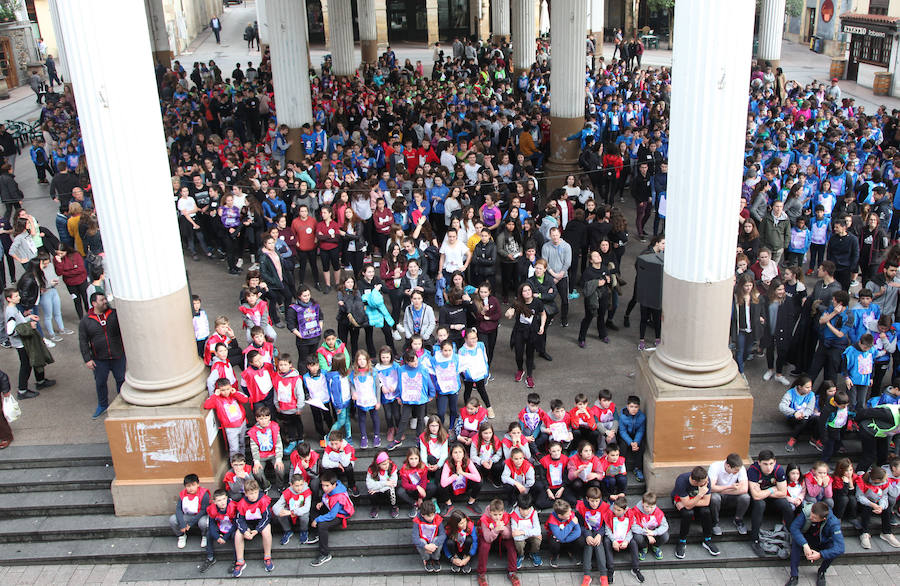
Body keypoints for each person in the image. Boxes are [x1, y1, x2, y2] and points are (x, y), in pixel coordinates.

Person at [78, 293, 123, 419]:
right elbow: (83, 341)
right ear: (94, 303)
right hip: (99, 359)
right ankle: (102, 405)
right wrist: (87, 359)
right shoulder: (86, 321)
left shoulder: (114, 314)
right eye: (101, 300)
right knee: (100, 382)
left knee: (121, 379)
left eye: (105, 299)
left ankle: (122, 402)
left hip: (118, 355)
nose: (105, 301)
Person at [748, 450, 794, 558]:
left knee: (786, 505)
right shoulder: (753, 470)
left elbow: (783, 493)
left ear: (775, 462)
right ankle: (754, 539)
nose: (769, 467)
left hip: (771, 497)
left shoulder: (778, 470)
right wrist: (772, 489)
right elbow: (755, 496)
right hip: (756, 500)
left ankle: (793, 534)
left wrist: (765, 492)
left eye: (771, 464)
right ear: (759, 462)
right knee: (760, 504)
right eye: (765, 464)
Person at [786, 501, 844, 586]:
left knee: (832, 547)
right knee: (796, 541)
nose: (810, 518)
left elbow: (840, 548)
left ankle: (822, 572)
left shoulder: (833, 523)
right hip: (807, 538)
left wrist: (821, 554)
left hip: (821, 541)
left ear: (823, 519)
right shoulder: (808, 511)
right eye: (811, 515)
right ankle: (794, 575)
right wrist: (805, 545)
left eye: (814, 518)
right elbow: (794, 527)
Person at [310, 469, 356, 567]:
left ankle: (324, 554)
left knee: (322, 525)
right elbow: (327, 497)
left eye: (327, 486)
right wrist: (322, 502)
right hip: (330, 507)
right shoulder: (333, 489)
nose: (324, 488)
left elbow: (332, 515)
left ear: (334, 485)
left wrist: (317, 520)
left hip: (339, 515)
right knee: (314, 507)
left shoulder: (338, 497)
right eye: (323, 485)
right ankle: (317, 534)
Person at [671, 466, 719, 559]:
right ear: (695, 482)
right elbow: (688, 506)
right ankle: (682, 541)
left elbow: (706, 502)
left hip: (691, 502)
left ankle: (707, 539)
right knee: (688, 513)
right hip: (679, 499)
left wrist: (688, 502)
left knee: (706, 511)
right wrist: (700, 494)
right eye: (704, 482)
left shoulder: (706, 479)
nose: (707, 482)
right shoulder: (682, 481)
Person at [233, 479, 274, 577]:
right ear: (246, 493)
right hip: (248, 524)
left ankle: (267, 556)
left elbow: (267, 517)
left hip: (260, 523)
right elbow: (239, 519)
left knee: (266, 530)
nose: (253, 496)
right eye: (251, 493)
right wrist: (244, 530)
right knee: (238, 534)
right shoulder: (242, 503)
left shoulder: (263, 500)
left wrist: (257, 530)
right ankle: (240, 561)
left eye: (255, 493)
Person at [476, 499, 520, 586]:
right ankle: (481, 573)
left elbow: (509, 535)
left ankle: (512, 572)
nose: (498, 517)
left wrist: (502, 529)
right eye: (495, 515)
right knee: (484, 546)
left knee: (511, 545)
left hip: (502, 537)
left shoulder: (506, 516)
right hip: (489, 536)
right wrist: (496, 530)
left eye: (500, 514)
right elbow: (487, 538)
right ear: (490, 512)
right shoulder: (484, 518)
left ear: (503, 512)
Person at [708, 453, 750, 536]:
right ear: (727, 465)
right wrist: (730, 487)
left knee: (746, 497)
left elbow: (745, 489)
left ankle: (738, 520)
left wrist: (721, 490)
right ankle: (715, 523)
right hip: (720, 494)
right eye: (735, 470)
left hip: (731, 494)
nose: (737, 472)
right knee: (714, 498)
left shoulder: (740, 468)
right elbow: (711, 488)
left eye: (738, 470)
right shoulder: (715, 467)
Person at [168, 473, 210, 550]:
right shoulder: (182, 494)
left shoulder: (204, 494)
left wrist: (191, 523)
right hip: (188, 515)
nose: (191, 488)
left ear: (198, 484)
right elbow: (178, 509)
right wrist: (182, 524)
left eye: (193, 485)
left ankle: (205, 536)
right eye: (188, 486)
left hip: (201, 516)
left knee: (204, 523)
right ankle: (181, 536)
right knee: (173, 519)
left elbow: (204, 510)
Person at [201, 489, 238, 573]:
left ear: (227, 498)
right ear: (214, 502)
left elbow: (236, 525)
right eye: (219, 500)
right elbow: (211, 524)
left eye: (224, 499)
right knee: (209, 533)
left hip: (231, 529)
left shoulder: (233, 507)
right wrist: (217, 536)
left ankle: (236, 560)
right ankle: (210, 558)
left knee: (236, 535)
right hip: (220, 527)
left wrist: (225, 537)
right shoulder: (212, 509)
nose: (222, 502)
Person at [273, 474, 313, 546]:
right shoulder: (288, 491)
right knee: (281, 513)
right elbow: (275, 507)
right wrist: (280, 512)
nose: (299, 488)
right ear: (291, 485)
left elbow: (307, 508)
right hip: (290, 510)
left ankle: (304, 531)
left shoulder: (307, 491)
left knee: (305, 515)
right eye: (297, 486)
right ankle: (287, 531)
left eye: (301, 485)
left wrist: (292, 512)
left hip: (300, 511)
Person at [412, 498, 446, 573]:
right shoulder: (417, 520)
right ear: (423, 515)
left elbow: (443, 535)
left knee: (438, 539)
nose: (432, 518)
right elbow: (415, 538)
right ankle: (427, 560)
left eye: (433, 515)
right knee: (421, 542)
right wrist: (426, 546)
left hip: (433, 542)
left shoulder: (437, 518)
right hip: (424, 542)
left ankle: (435, 559)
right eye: (429, 516)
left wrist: (434, 545)